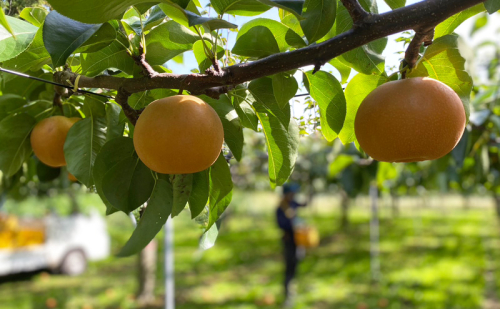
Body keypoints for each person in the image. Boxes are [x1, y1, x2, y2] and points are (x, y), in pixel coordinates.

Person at [276, 183, 307, 307]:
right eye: (291, 193)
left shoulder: (293, 203)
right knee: (289, 265)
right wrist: (293, 226)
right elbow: (281, 224)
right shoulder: (281, 208)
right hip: (288, 240)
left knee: (296, 262)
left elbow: (303, 205)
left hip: (297, 240)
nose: (293, 195)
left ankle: (292, 285)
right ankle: (287, 292)